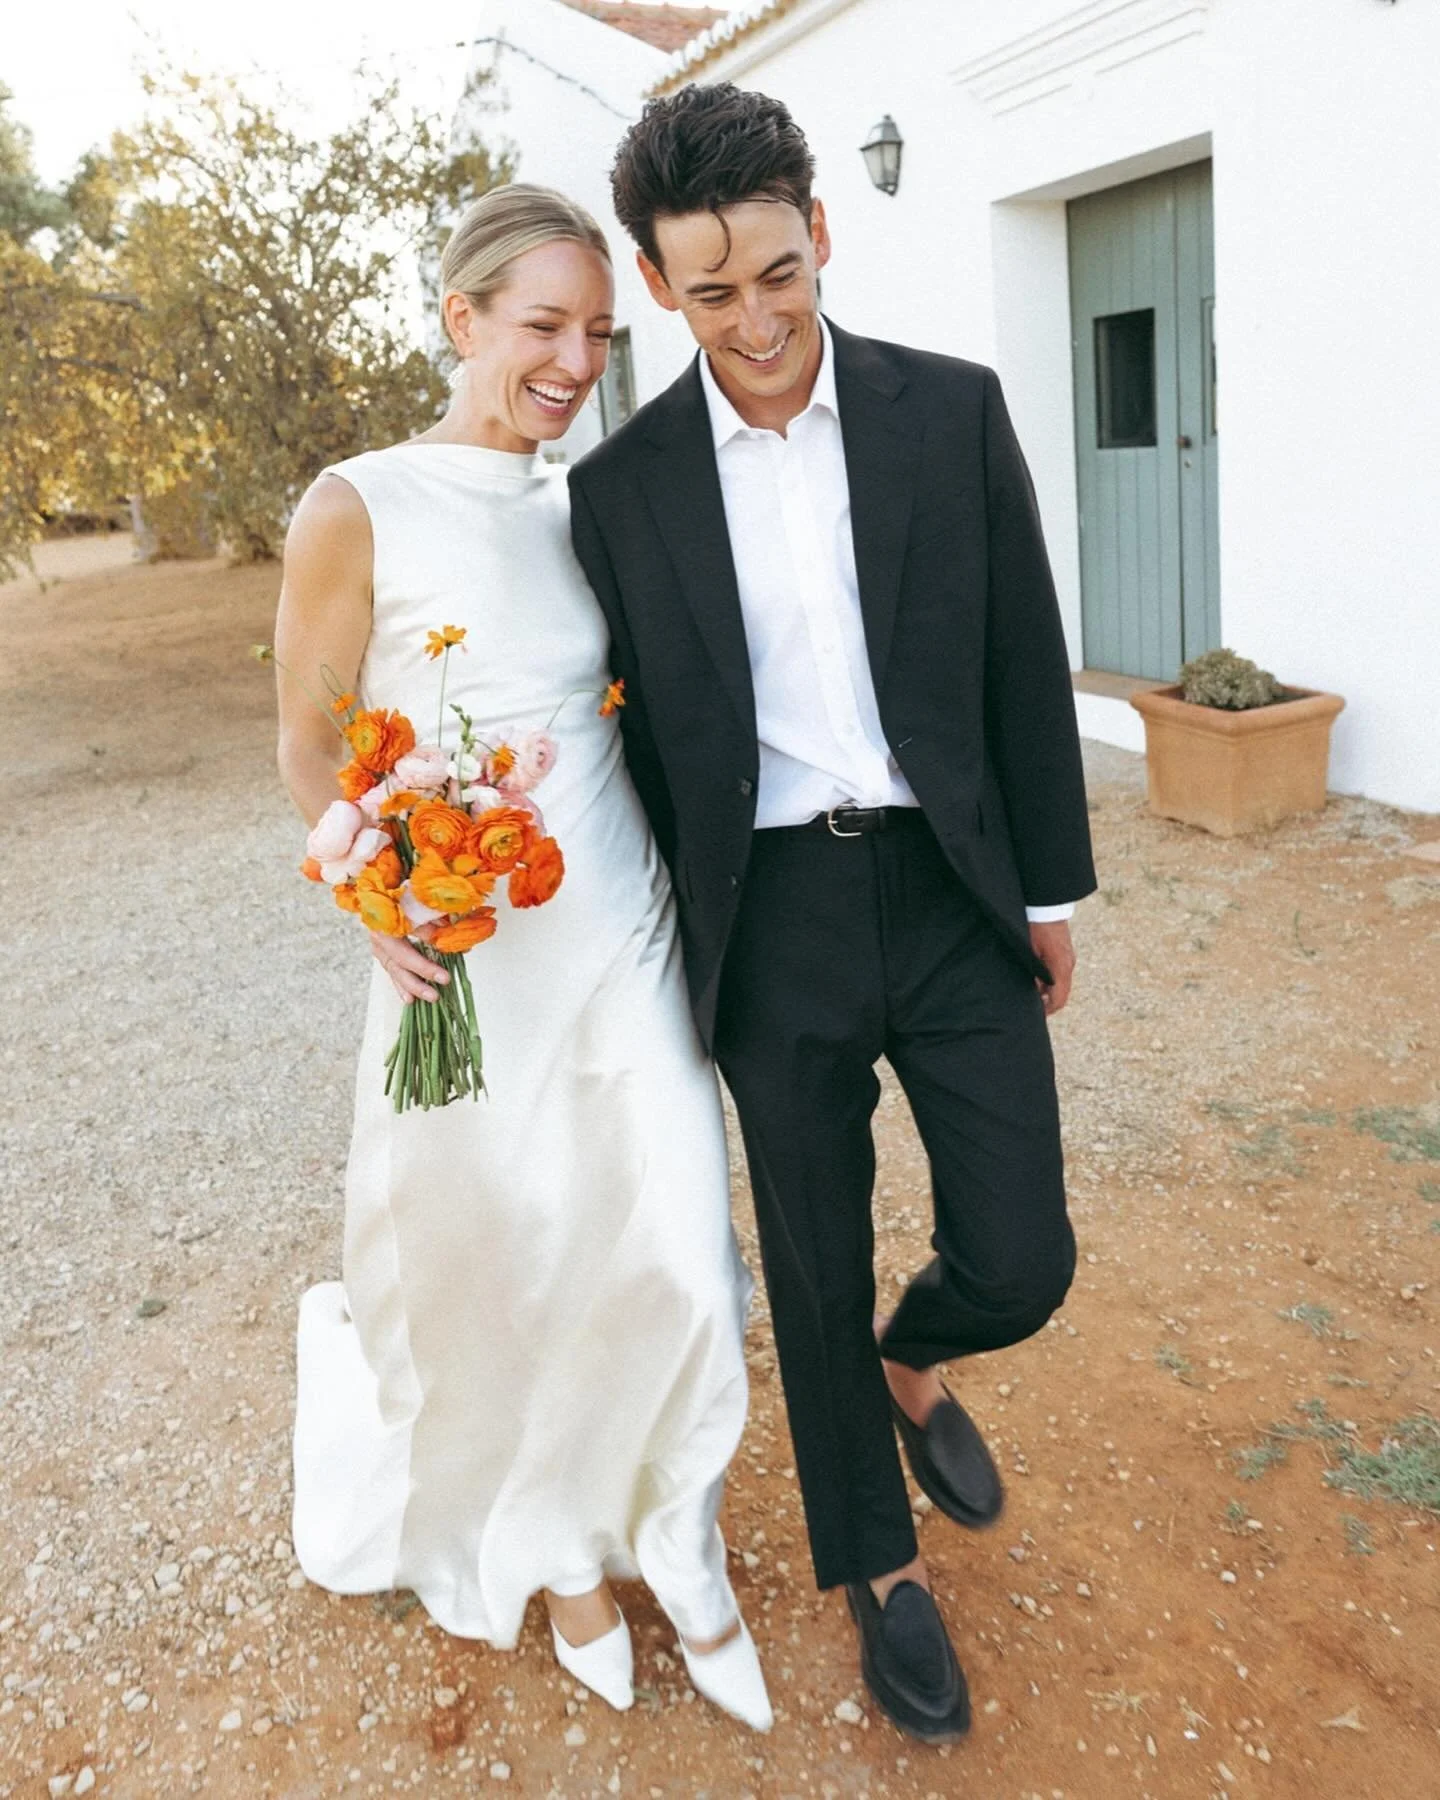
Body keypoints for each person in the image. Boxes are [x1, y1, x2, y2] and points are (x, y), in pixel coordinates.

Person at [569, 86, 1096, 1744]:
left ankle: (909, 1353)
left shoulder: (953, 410)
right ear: (660, 285)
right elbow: (619, 743)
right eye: (713, 291)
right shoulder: (620, 491)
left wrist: (1048, 888)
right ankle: (882, 1569)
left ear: (820, 230)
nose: (756, 320)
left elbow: (1022, 662)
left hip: (949, 888)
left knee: (1023, 1253)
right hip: (770, 915)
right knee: (807, 1259)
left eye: (779, 274)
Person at [274, 183, 772, 1732]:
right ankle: (560, 1556)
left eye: (599, 335)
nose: (574, 363)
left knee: (671, 1242)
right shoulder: (356, 504)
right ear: (462, 317)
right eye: (544, 325)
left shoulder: (585, 505)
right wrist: (375, 893)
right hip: (473, 956)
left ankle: (665, 1528)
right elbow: (309, 739)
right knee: (517, 1260)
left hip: (620, 921)